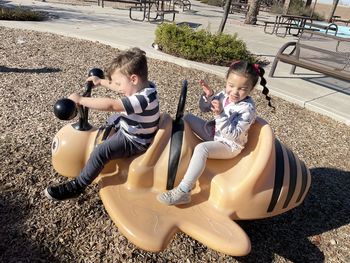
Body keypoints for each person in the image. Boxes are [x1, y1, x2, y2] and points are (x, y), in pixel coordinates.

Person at [45, 47, 160, 201]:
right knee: (112, 120)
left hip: (135, 140)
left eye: (119, 83)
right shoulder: (147, 88)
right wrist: (101, 82)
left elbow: (112, 105)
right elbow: (118, 89)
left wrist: (80, 100)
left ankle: (78, 185)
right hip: (135, 127)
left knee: (101, 151)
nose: (118, 88)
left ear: (134, 79)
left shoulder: (141, 100)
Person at [157, 60, 274, 206]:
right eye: (231, 85)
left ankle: (183, 190)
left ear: (250, 89)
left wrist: (220, 115)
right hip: (215, 133)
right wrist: (209, 96)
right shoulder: (224, 95)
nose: (235, 92)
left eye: (242, 88)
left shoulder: (247, 110)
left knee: (202, 148)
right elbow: (204, 108)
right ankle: (172, 155)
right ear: (226, 81)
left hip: (229, 145)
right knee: (187, 117)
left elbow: (234, 135)